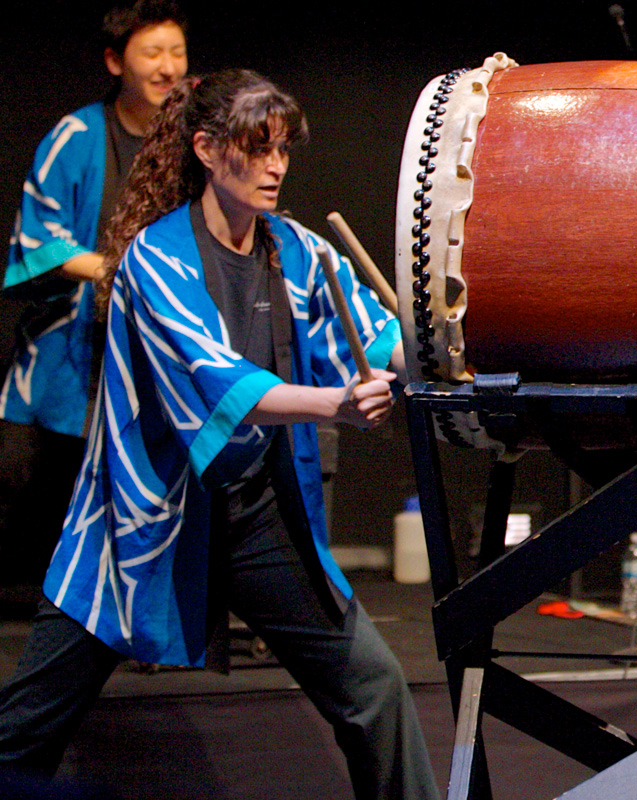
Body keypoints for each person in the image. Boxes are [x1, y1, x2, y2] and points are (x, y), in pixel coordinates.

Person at [0, 69, 439, 799]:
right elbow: (217, 383)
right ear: (206, 148)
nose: (276, 166)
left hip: (255, 516)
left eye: (283, 150)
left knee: (376, 688)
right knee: (27, 726)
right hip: (142, 523)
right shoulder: (155, 259)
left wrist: (439, 356)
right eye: (256, 147)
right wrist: (335, 405)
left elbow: (376, 329)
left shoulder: (296, 251)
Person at [1, 1, 188, 587]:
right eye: (152, 53)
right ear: (115, 61)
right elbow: (40, 238)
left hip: (159, 340)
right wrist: (117, 268)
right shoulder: (77, 137)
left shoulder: (192, 143)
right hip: (79, 342)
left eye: (177, 53)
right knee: (48, 493)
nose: (167, 67)